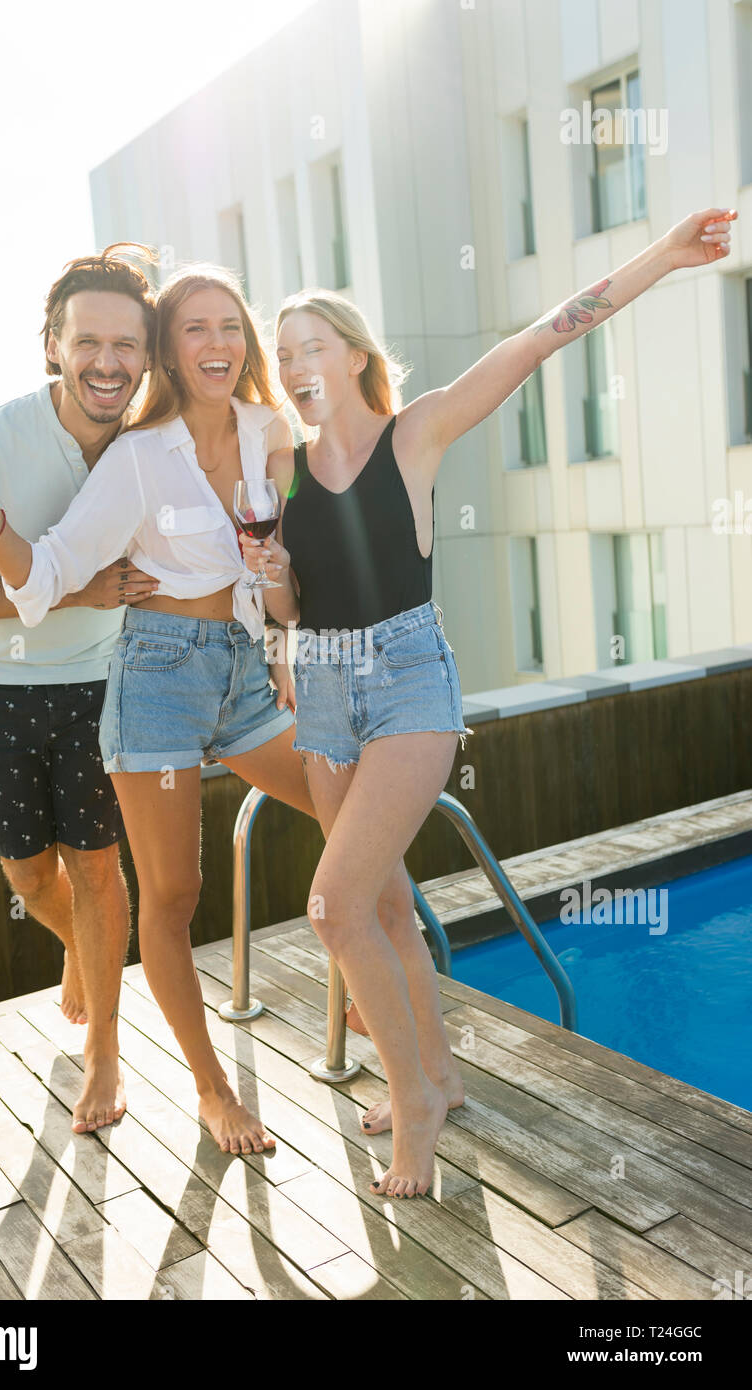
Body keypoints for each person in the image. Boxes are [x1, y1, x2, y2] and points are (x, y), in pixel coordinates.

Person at [241, 207, 738, 1198]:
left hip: (409, 680)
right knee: (378, 902)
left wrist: (666, 256)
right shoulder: (279, 466)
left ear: (349, 353)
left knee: (331, 908)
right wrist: (270, 584)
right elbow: (293, 609)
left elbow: (545, 332)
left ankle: (411, 1102)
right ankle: (438, 1073)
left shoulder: (415, 430)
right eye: (283, 349)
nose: (296, 361)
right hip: (326, 685)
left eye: (312, 344)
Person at [0, 264, 309, 1156]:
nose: (216, 343)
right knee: (172, 897)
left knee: (351, 808)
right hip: (153, 684)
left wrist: (288, 639)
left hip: (244, 675)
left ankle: (376, 992)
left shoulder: (274, 435)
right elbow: (47, 578)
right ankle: (210, 1090)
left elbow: (296, 568)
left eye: (230, 325)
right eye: (194, 330)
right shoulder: (139, 456)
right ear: (168, 357)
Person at [0, 244, 160, 1135]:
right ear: (53, 346)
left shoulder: (152, 445)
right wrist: (80, 588)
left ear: (146, 354)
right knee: (27, 872)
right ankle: (80, 951)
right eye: (87, 341)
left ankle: (105, 1048)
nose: (108, 362)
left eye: (126, 345)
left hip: (102, 681)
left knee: (97, 867)